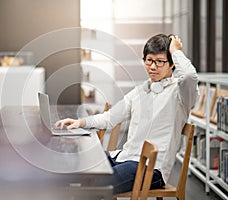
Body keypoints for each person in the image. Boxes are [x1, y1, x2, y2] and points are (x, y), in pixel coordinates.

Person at [54, 33, 199, 194]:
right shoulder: (142, 90)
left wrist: (175, 50)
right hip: (124, 157)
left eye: (160, 62)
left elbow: (188, 75)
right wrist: (80, 122)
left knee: (96, 184)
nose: (152, 67)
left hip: (151, 169)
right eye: (149, 60)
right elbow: (110, 118)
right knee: (78, 166)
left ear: (172, 64)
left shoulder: (181, 93)